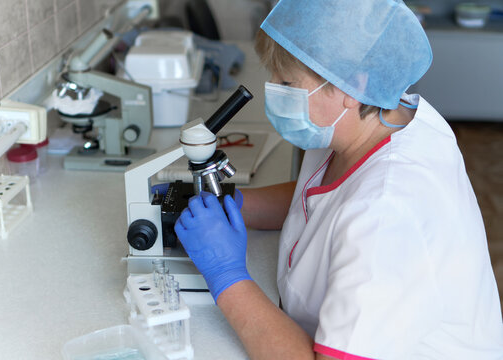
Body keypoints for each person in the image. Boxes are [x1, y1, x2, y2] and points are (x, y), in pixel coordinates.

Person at [174, 0, 503, 359]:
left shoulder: (388, 214)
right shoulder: (374, 115)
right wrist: (236, 204)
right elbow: (324, 196)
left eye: (287, 82)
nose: (273, 89)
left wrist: (228, 276)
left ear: (352, 85)